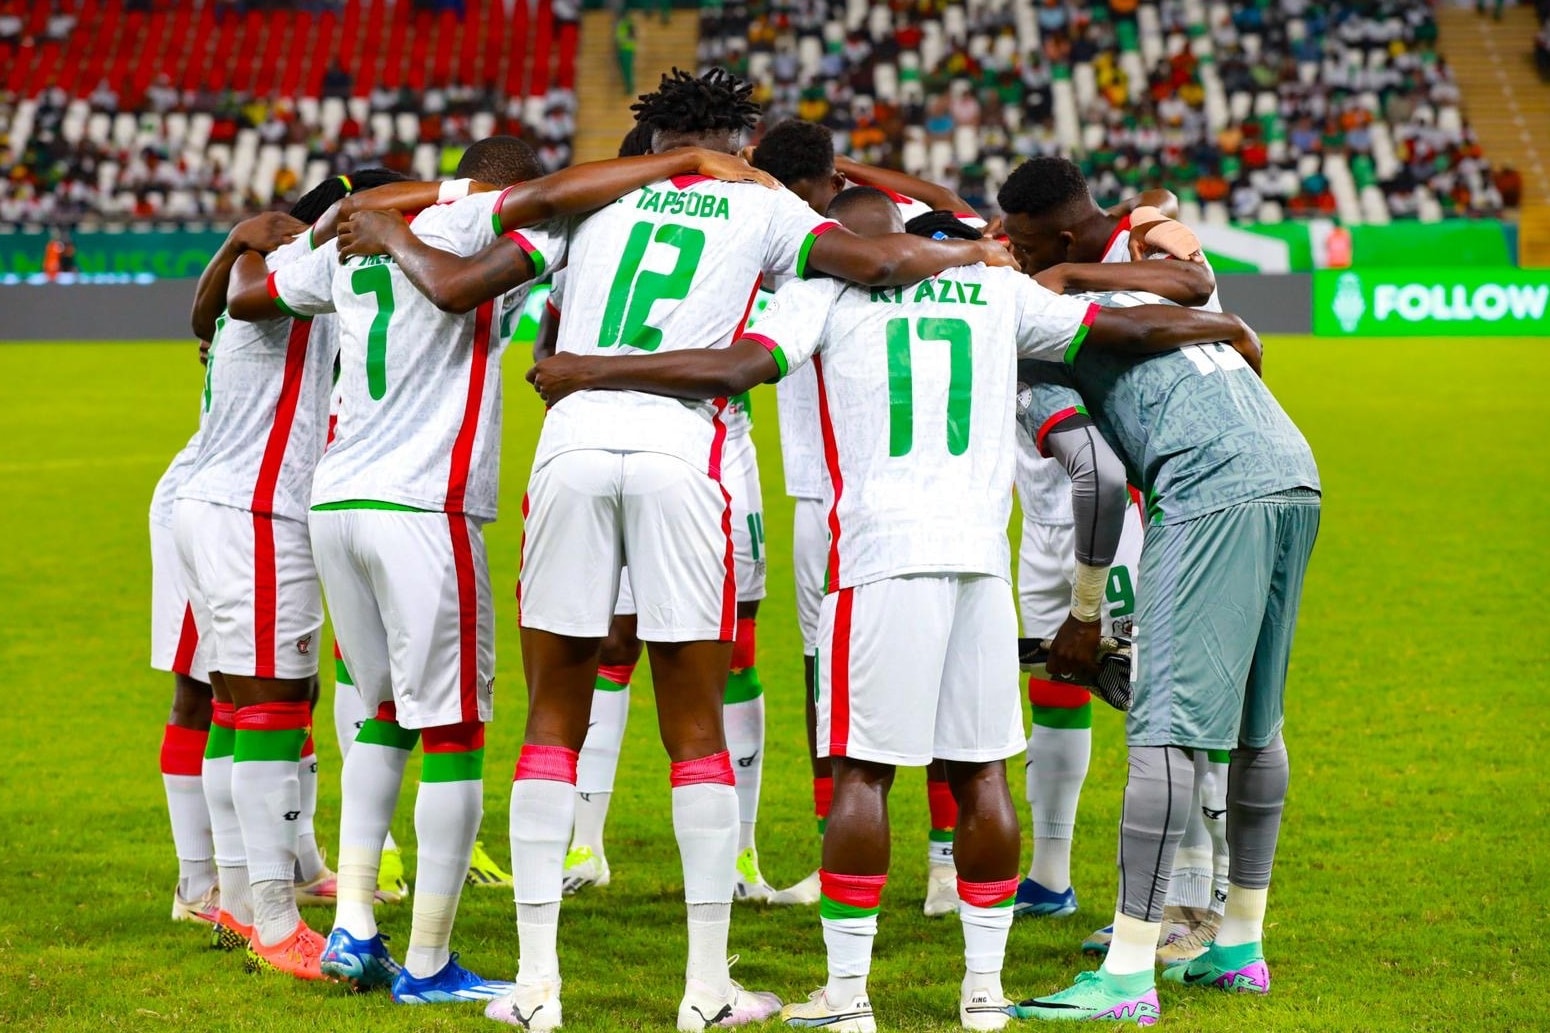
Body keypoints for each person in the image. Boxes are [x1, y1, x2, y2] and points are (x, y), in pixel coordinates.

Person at [359, 66, 1013, 1030]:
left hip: (572, 446)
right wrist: (974, 259)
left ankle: (537, 986)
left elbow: (474, 276)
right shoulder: (764, 206)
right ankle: (706, 988)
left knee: (553, 709)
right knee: (694, 720)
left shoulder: (589, 200)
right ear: (735, 141)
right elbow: (876, 266)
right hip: (684, 451)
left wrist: (382, 221)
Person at [525, 185, 1268, 1032]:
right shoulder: (994, 287)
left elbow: (736, 370)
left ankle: (847, 998)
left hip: (877, 559)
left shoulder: (824, 291)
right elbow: (1127, 328)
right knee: (982, 771)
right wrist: (1227, 330)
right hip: (980, 562)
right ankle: (983, 993)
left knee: (862, 773)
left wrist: (592, 369)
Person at [238, 134, 778, 1006]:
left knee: (380, 714)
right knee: (453, 729)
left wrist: (345, 213)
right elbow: (542, 207)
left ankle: (354, 926)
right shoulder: (478, 225)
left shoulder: (358, 230)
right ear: (513, 191)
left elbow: (254, 295)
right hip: (426, 504)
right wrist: (684, 167)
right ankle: (426, 961)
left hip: (333, 500)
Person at [999, 164, 1320, 1025]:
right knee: (1257, 725)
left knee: (1164, 735)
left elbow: (1098, 475)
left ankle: (1128, 972)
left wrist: (1085, 609)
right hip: (1290, 466)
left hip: (1208, 486)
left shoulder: (1026, 329)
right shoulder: (1125, 275)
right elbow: (1221, 318)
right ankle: (1239, 946)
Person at [747, 118, 988, 915]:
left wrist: (826, 170)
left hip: (839, 498)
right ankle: (941, 862)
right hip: (890, 496)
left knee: (836, 687)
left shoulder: (792, 242)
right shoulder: (892, 229)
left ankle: (884, 855)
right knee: (926, 685)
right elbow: (957, 207)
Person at [174, 172, 405, 979]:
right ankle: (276, 922)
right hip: (257, 513)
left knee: (247, 704)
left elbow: (204, 312)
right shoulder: (297, 272)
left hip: (217, 507)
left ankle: (239, 897)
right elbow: (237, 303)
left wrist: (238, 236)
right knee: (272, 704)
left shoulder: (252, 269)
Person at [1002, 159, 1234, 965]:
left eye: (1032, 247)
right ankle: (1050, 874)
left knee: (1159, 709)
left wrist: (1087, 258)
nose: (1020, 257)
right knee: (1057, 689)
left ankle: (1188, 900)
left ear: (1064, 238)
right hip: (1041, 516)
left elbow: (1193, 280)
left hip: (1119, 522)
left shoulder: (1142, 259)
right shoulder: (1033, 259)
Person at [151, 355, 218, 928]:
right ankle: (197, 886)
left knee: (297, 687)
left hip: (270, 512)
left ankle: (301, 865)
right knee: (201, 692)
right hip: (208, 510)